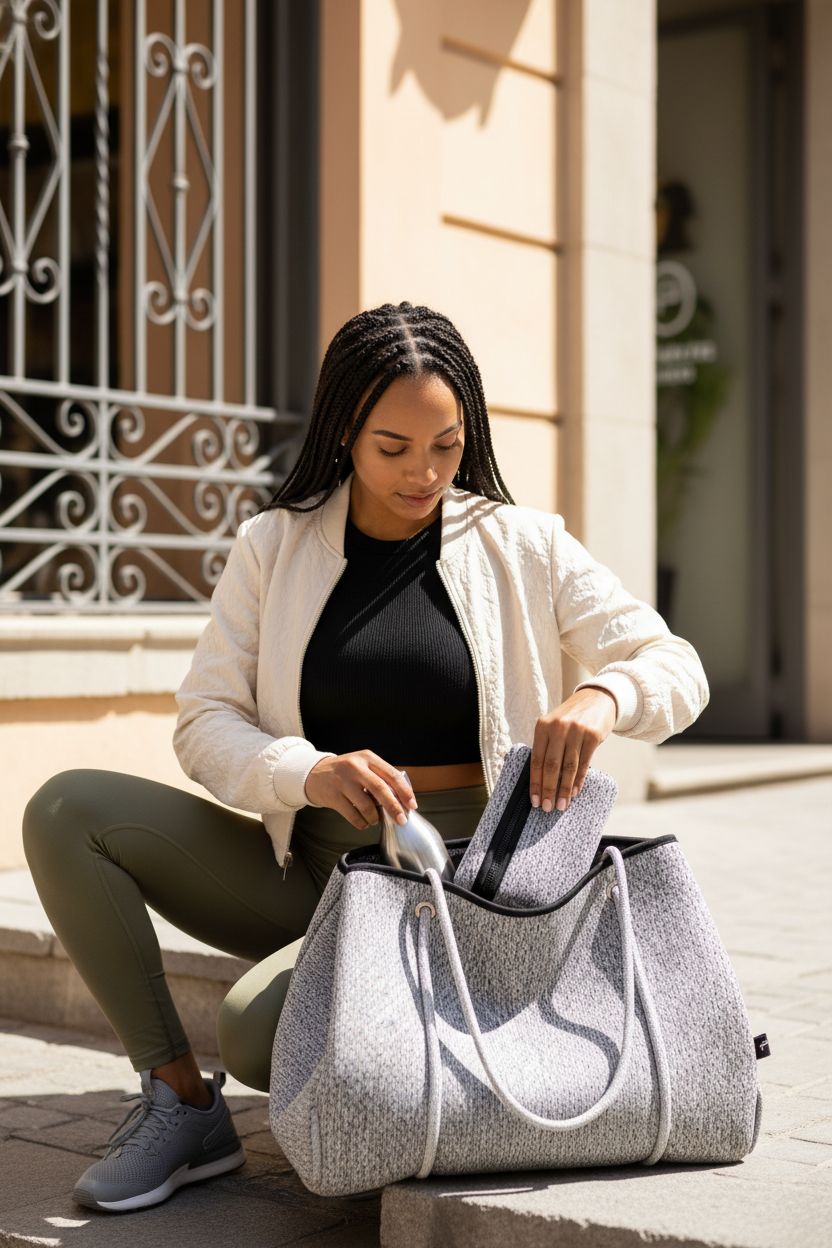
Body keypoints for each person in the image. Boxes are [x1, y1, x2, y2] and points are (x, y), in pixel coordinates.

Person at [22, 300, 710, 1214]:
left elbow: (674, 663)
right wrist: (306, 772)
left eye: (447, 444)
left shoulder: (522, 544)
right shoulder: (274, 546)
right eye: (394, 447)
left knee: (264, 1034)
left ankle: (461, 1040)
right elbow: (204, 721)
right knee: (67, 810)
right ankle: (182, 1101)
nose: (423, 472)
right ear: (346, 428)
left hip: (463, 886)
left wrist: (600, 695)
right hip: (312, 863)